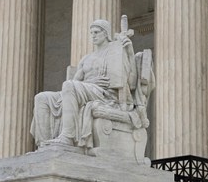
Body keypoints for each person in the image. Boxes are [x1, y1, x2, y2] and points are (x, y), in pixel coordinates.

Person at [31, 19, 137, 151]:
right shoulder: (86, 58)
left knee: (69, 86)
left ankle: (68, 136)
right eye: (91, 32)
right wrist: (90, 83)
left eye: (97, 32)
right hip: (85, 89)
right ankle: (44, 144)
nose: (93, 35)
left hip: (104, 94)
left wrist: (130, 53)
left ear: (106, 34)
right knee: (41, 97)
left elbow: (131, 83)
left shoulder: (115, 53)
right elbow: (75, 81)